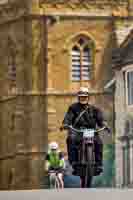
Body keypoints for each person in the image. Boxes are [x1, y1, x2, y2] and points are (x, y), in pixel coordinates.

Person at [60, 87, 110, 176]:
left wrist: (104, 125)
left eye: (85, 96)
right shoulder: (73, 108)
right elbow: (68, 117)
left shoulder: (94, 109)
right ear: (78, 97)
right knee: (70, 139)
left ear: (88, 97)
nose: (83, 98)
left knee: (99, 142)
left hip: (92, 131)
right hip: (78, 131)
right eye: (81, 96)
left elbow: (100, 120)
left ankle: (98, 164)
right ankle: (74, 162)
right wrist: (65, 124)